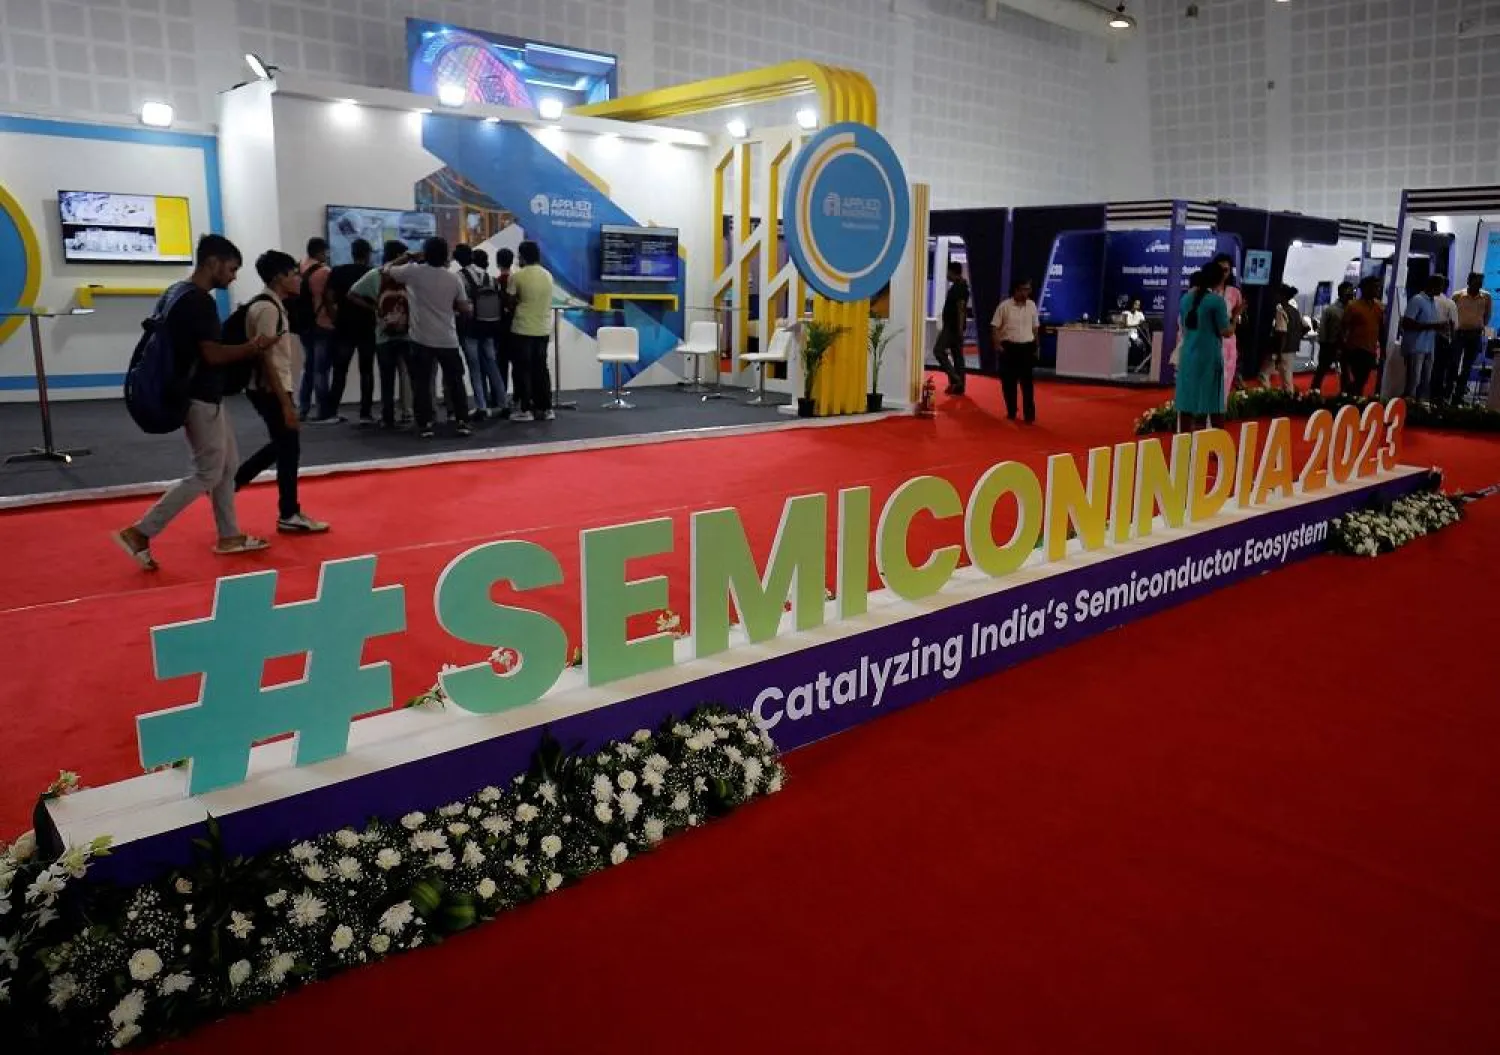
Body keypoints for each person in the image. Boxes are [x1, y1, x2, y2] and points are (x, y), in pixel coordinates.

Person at [114, 235, 276, 570]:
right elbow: (212, 355)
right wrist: (254, 346)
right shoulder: (199, 302)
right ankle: (142, 532)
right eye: (231, 269)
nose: (232, 277)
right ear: (213, 263)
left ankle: (229, 535)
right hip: (199, 397)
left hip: (197, 394)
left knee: (228, 466)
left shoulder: (176, 292)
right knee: (207, 472)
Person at [232, 250, 329, 534]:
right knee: (288, 445)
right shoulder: (268, 309)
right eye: (294, 274)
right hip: (269, 388)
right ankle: (285, 511)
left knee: (286, 445)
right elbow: (264, 357)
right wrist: (285, 403)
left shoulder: (273, 305)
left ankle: (242, 488)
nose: (299, 278)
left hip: (271, 387)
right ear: (279, 277)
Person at [384, 237, 472, 438]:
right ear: (446, 256)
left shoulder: (414, 272)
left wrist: (407, 257)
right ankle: (462, 421)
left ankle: (425, 424)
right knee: (455, 381)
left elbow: (386, 269)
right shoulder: (453, 278)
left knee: (421, 383)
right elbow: (464, 307)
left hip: (420, 338)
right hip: (448, 338)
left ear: (425, 253)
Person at [348, 240, 415, 430]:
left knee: (387, 378)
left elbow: (352, 294)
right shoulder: (409, 276)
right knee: (409, 376)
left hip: (383, 333)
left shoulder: (374, 275)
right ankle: (410, 413)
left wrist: (374, 307)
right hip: (407, 333)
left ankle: (388, 417)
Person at [1174, 262, 1233, 432]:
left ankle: (1184, 448)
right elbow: (1226, 331)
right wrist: (1235, 319)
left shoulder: (1185, 299)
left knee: (1186, 401)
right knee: (1214, 402)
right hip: (1209, 356)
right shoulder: (1216, 301)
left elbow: (1185, 327)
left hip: (1188, 354)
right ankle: (1218, 448)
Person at [325, 237, 378, 426]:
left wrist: (334, 319)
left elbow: (329, 298)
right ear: (368, 254)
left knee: (340, 370)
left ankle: (331, 411)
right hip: (367, 326)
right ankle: (366, 413)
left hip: (344, 326)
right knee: (366, 371)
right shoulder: (372, 273)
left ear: (352, 252)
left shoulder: (338, 271)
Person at [456, 244, 508, 420]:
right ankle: (503, 403)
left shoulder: (459, 277)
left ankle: (482, 406)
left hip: (469, 328)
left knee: (474, 367)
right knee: (492, 365)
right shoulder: (490, 278)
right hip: (489, 327)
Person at [508, 240, 555, 422]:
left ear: (522, 256)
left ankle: (524, 409)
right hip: (542, 329)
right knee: (541, 369)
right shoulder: (548, 275)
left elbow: (510, 302)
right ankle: (546, 408)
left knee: (522, 370)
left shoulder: (518, 276)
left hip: (522, 328)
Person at [294, 236, 337, 424]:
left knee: (309, 368)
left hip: (304, 324)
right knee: (321, 370)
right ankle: (323, 411)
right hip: (323, 323)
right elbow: (328, 299)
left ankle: (303, 408)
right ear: (321, 251)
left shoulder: (300, 266)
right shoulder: (324, 271)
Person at [990, 278, 1041, 423]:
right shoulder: (1004, 306)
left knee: (1027, 384)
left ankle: (1029, 416)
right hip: (1009, 348)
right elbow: (994, 326)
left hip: (1026, 347)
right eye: (1024, 289)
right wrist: (997, 344)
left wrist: (1037, 347)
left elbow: (1035, 328)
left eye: (1028, 289)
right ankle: (1011, 411)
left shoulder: (1032, 306)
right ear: (1016, 290)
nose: (1027, 292)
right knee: (1008, 383)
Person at [1399, 273, 1445, 400]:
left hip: (1428, 348)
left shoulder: (1432, 302)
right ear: (1433, 285)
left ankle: (1420, 410)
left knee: (1425, 383)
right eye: (1441, 286)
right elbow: (1407, 323)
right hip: (1416, 347)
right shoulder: (1417, 300)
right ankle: (1407, 408)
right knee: (1413, 382)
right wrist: (1433, 326)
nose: (1443, 289)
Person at [1451, 272, 1493, 405]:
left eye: (1481, 281)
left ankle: (1458, 395)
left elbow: (1487, 316)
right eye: (1477, 281)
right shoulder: (1458, 296)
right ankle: (1448, 392)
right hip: (1459, 334)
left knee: (1467, 367)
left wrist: (1478, 325)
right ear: (1469, 281)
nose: (1479, 284)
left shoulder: (1486, 297)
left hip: (1475, 335)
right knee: (1453, 364)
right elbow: (1451, 314)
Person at [1340, 275, 1384, 396]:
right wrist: (1343, 347)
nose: (1377, 290)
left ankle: (1349, 394)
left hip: (1371, 348)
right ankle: (1354, 399)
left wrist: (1383, 349)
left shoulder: (1379, 307)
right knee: (1360, 378)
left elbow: (1381, 329)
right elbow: (1343, 327)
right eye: (1375, 287)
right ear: (1365, 289)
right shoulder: (1353, 306)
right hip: (1355, 349)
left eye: (1378, 288)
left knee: (1363, 379)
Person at [931, 261, 970, 395]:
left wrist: (959, 329)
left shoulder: (959, 288)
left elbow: (961, 309)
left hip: (952, 328)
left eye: (948, 272)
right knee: (957, 355)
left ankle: (955, 378)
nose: (947, 274)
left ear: (953, 272)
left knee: (938, 351)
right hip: (953, 327)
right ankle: (959, 386)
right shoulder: (959, 286)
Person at [1313, 282, 1354, 395]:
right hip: (1330, 345)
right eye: (1348, 291)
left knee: (1345, 371)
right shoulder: (1330, 310)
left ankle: (1344, 394)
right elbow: (1323, 329)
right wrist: (1323, 345)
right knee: (1321, 370)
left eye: (1351, 291)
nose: (1350, 294)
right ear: (1340, 293)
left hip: (1346, 346)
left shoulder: (1353, 309)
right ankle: (1314, 393)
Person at [1211, 253, 1245, 392]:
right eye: (1220, 269)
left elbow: (1238, 317)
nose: (1222, 273)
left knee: (1224, 386)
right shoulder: (1206, 291)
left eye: (1226, 270)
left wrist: (1236, 317)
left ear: (1230, 272)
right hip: (1209, 341)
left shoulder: (1234, 292)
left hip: (1228, 342)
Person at [492, 247, 518, 410]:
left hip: (500, 329)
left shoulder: (496, 282)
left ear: (497, 262)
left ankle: (499, 398)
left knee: (500, 364)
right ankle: (517, 397)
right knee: (517, 365)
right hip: (516, 327)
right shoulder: (516, 280)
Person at [1264, 284, 1302, 390]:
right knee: (1286, 378)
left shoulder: (1281, 312)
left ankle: (1273, 397)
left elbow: (1282, 334)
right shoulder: (1295, 311)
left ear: (1282, 296)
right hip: (1292, 348)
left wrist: (1279, 354)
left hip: (1283, 350)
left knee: (1284, 380)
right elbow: (1304, 327)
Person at [1431, 274, 1459, 402]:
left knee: (1426, 368)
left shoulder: (1425, 299)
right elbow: (1454, 325)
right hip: (1442, 340)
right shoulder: (1449, 303)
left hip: (1425, 337)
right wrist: (1453, 343)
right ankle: (1437, 397)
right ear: (1446, 287)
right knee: (1439, 368)